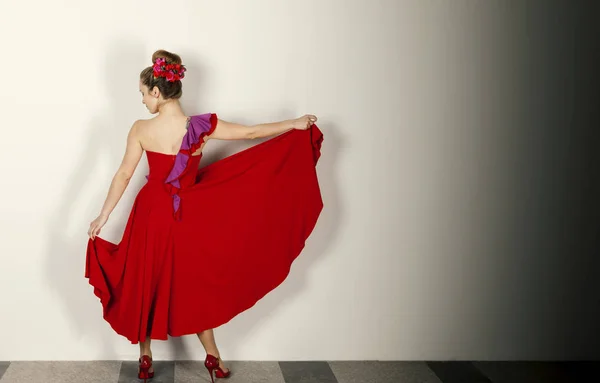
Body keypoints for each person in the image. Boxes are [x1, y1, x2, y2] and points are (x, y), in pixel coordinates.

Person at [84, 49, 324, 383]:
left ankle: (144, 358)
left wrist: (102, 216)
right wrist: (293, 124)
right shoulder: (202, 126)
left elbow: (124, 175)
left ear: (156, 92)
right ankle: (213, 358)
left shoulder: (141, 128)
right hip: (187, 219)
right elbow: (252, 133)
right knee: (192, 287)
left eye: (142, 93)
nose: (141, 100)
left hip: (151, 215)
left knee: (144, 280)